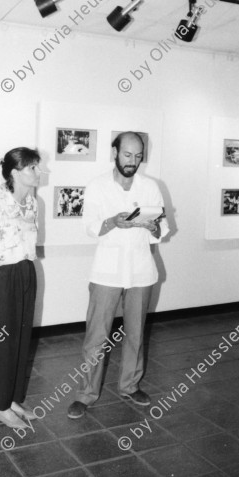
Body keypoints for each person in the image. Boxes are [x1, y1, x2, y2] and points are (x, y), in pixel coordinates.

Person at [68, 132, 169, 418]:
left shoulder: (150, 187)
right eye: (127, 155)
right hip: (106, 272)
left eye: (138, 156)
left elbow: (162, 229)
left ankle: (130, 385)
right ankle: (86, 394)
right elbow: (89, 226)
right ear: (115, 152)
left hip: (141, 272)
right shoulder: (97, 186)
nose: (133, 162)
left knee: (136, 334)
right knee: (96, 337)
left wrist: (153, 228)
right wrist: (112, 222)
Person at [0, 147, 42, 429]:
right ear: (15, 173)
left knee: (22, 338)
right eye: (32, 168)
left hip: (26, 270)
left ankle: (12, 399)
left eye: (37, 167)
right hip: (3, 276)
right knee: (2, 342)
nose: (39, 172)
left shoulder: (33, 202)